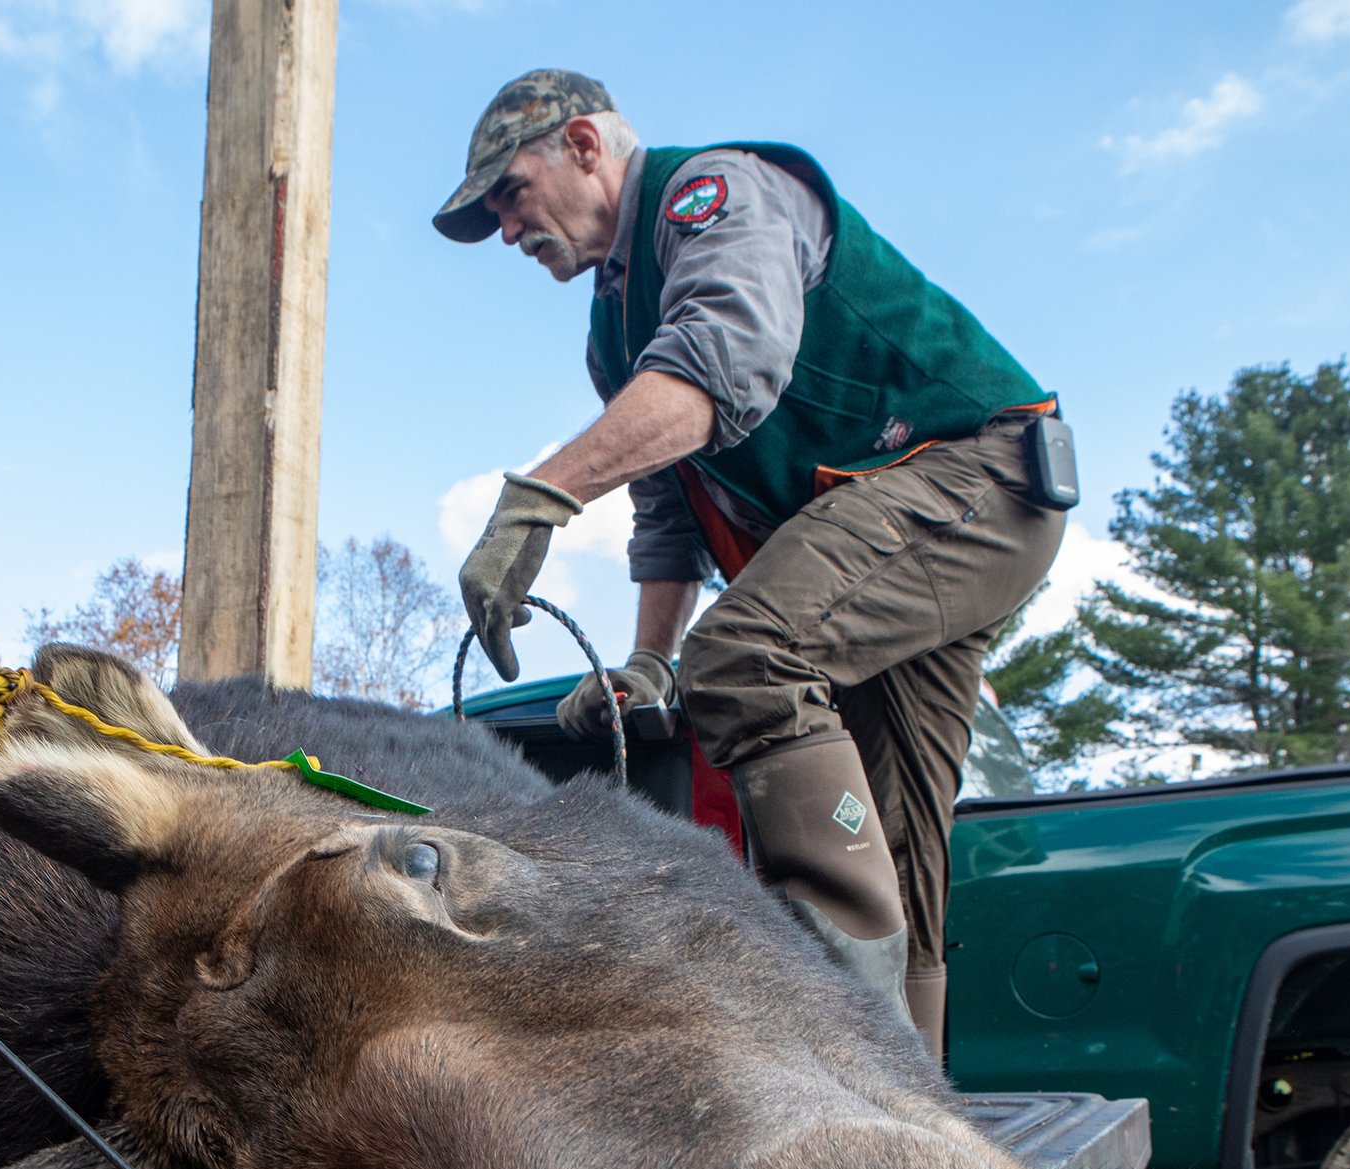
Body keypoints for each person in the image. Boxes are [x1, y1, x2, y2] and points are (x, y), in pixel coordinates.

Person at [434, 69, 1071, 1051]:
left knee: (743, 655)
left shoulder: (713, 197)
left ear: (584, 146)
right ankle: (917, 1122)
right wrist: (648, 658)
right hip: (894, 527)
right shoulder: (613, 335)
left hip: (977, 477)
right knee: (895, 845)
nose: (507, 230)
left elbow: (722, 367)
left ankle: (837, 1045)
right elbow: (668, 507)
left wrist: (539, 496)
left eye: (509, 194)